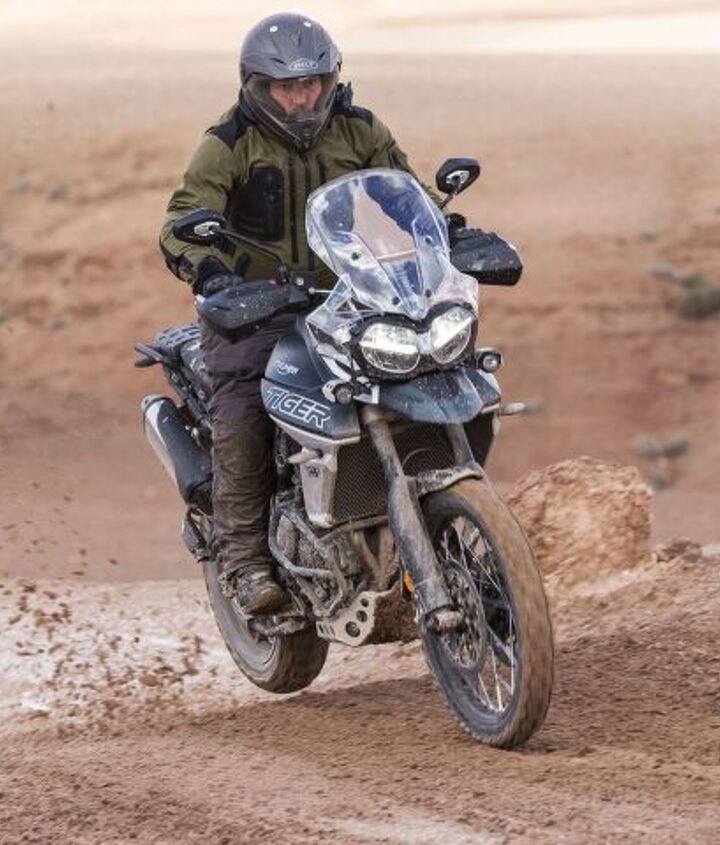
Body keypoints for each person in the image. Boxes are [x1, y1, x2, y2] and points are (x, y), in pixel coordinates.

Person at [159, 13, 439, 615]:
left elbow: (406, 194)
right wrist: (212, 273)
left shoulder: (358, 128)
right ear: (258, 86)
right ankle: (243, 562)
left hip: (346, 299)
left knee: (423, 367)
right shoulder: (229, 142)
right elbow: (182, 220)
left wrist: (446, 229)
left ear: (330, 79)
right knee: (244, 413)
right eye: (287, 87)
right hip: (252, 311)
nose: (302, 98)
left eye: (312, 83)